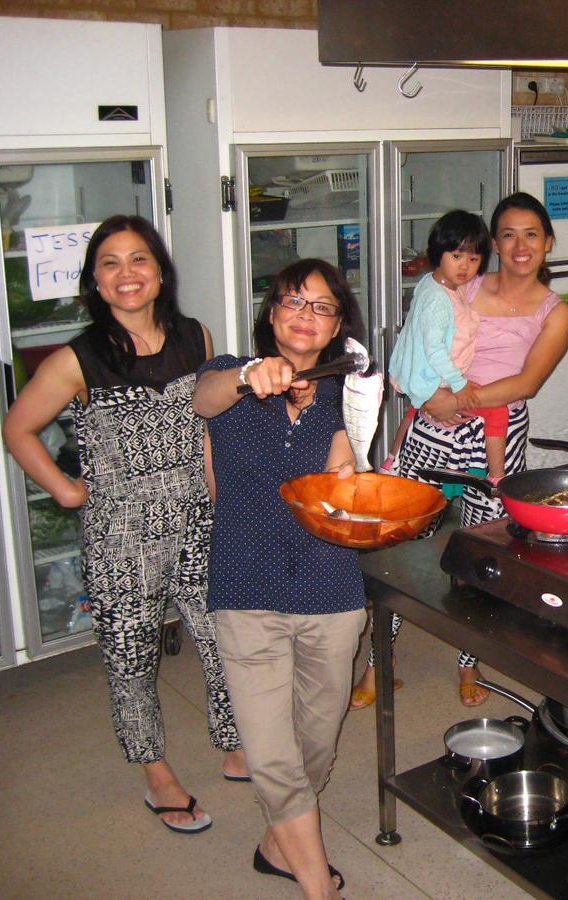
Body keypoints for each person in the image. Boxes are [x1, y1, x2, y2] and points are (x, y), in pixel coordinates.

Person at [3, 215, 245, 834]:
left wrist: (222, 501)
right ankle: (157, 774)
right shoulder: (77, 358)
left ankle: (234, 740)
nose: (127, 274)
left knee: (223, 637)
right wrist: (65, 490)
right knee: (130, 656)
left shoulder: (196, 336)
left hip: (197, 516)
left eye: (139, 259)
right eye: (110, 263)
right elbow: (17, 428)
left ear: (160, 272)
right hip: (121, 535)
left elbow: (206, 425)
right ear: (95, 282)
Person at [351, 192, 568, 710]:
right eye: (509, 235)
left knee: (482, 549)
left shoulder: (554, 311)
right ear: (493, 243)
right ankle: (377, 664)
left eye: (532, 234)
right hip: (434, 421)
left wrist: (461, 398)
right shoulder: (464, 283)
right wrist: (431, 396)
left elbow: (528, 380)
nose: (520, 246)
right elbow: (423, 334)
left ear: (548, 243)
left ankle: (469, 660)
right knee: (403, 540)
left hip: (494, 432)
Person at [193, 259, 368, 899]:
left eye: (321, 307)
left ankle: (278, 843)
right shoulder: (229, 375)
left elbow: (346, 483)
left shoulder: (344, 392)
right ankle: (319, 886)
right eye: (293, 302)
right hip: (246, 588)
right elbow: (202, 398)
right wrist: (250, 378)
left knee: (316, 742)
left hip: (330, 588)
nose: (305, 314)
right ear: (272, 315)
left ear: (336, 326)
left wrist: (345, 450)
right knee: (270, 753)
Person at [384, 209, 509, 481]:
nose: (465, 266)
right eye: (456, 256)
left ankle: (392, 460)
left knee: (414, 409)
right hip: (435, 375)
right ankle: (497, 479)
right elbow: (435, 349)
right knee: (497, 410)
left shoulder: (434, 284)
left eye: (474, 259)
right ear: (438, 253)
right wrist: (458, 383)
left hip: (422, 374)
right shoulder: (439, 300)